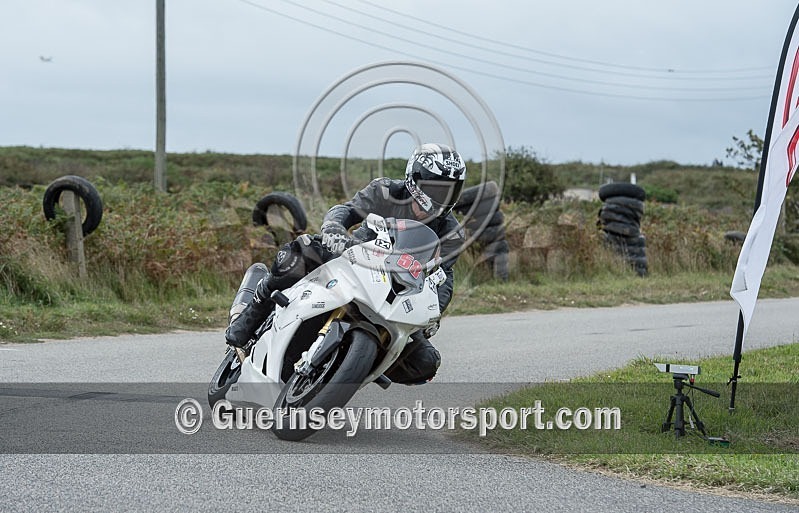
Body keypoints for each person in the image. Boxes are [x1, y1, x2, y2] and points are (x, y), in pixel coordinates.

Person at [225, 143, 467, 384]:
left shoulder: (452, 233)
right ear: (414, 179)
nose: (441, 197)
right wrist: (334, 228)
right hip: (352, 261)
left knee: (425, 362)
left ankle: (355, 362)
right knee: (300, 251)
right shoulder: (385, 191)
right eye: (435, 188)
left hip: (395, 295)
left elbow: (442, 277)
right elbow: (347, 210)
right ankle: (248, 318)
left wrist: (433, 312)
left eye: (449, 191)